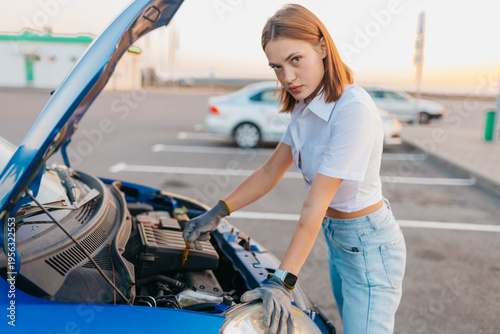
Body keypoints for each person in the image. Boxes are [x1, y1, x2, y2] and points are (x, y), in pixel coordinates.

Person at [183, 4, 407, 334]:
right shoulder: (305, 107)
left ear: (321, 47)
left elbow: (315, 204)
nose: (286, 77)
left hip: (369, 246)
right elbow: (269, 172)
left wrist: (282, 283)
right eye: (276, 66)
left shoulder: (352, 110)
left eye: (295, 60)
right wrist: (218, 211)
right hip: (340, 238)